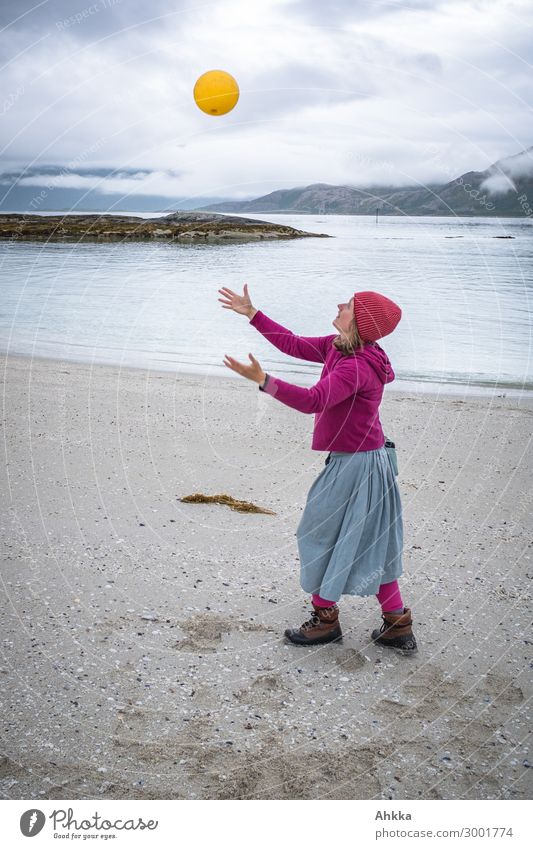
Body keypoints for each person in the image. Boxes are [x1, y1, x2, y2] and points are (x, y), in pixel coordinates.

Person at [218, 283, 417, 654]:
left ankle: (326, 622)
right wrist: (252, 314)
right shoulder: (339, 346)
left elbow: (314, 401)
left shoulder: (357, 366)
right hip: (363, 459)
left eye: (349, 304)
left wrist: (264, 381)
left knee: (316, 534)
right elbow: (292, 343)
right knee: (374, 542)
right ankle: (396, 626)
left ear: (359, 321)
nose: (340, 303)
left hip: (359, 466)